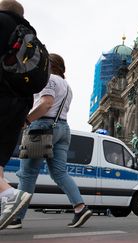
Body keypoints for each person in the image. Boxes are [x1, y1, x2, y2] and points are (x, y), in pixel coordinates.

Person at [9, 53, 92, 229]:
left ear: (48, 64)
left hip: (43, 126)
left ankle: (16, 217)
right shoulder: (67, 86)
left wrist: (26, 120)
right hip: (63, 129)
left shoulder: (48, 80)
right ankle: (80, 207)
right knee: (60, 172)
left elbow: (46, 104)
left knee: (28, 174)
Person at [0, 0, 33, 231]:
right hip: (21, 103)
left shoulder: (1, 23)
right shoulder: (31, 35)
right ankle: (6, 197)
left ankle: (10, 194)